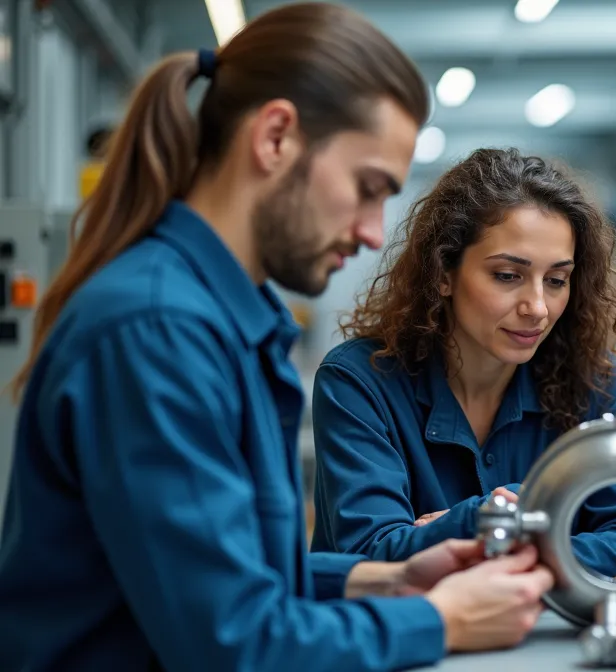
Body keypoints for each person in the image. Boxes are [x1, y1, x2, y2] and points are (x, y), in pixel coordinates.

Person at [0, 4, 555, 670]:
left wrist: (384, 579)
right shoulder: (159, 331)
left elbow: (230, 575)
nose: (375, 231)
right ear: (275, 138)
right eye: (366, 187)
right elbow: (232, 641)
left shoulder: (230, 320)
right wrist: (438, 619)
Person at [309, 147, 616, 578]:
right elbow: (368, 558)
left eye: (556, 281)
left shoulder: (594, 381)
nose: (537, 307)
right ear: (443, 273)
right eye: (507, 276)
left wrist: (489, 523)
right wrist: (535, 518)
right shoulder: (359, 381)